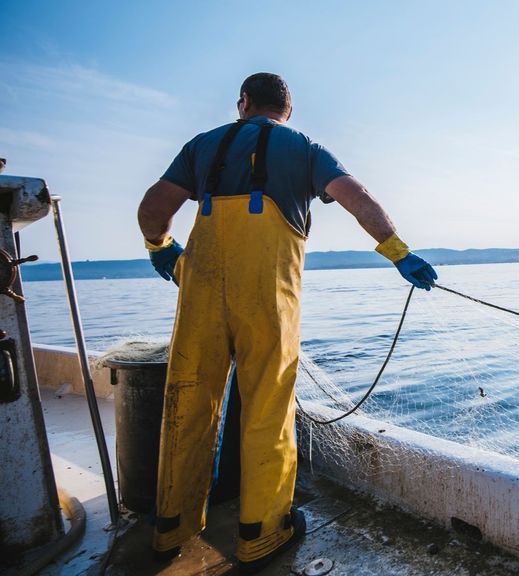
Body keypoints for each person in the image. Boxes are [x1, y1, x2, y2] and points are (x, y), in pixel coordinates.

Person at [137, 72, 437, 573]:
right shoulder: (304, 147)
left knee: (187, 399)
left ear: (244, 103)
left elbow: (153, 207)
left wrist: (161, 248)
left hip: (201, 290)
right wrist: (398, 252)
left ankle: (171, 528)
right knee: (268, 404)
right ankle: (261, 533)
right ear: (287, 110)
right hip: (267, 295)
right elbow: (355, 195)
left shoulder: (202, 146)